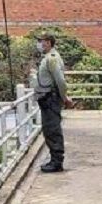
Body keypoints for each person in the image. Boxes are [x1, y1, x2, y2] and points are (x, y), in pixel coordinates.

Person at [32, 33, 73, 173]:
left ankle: (57, 162)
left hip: (50, 98)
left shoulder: (52, 59)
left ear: (48, 43)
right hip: (46, 98)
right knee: (49, 129)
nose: (39, 44)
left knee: (52, 129)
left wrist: (64, 97)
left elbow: (60, 81)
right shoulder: (48, 58)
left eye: (41, 41)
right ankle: (54, 160)